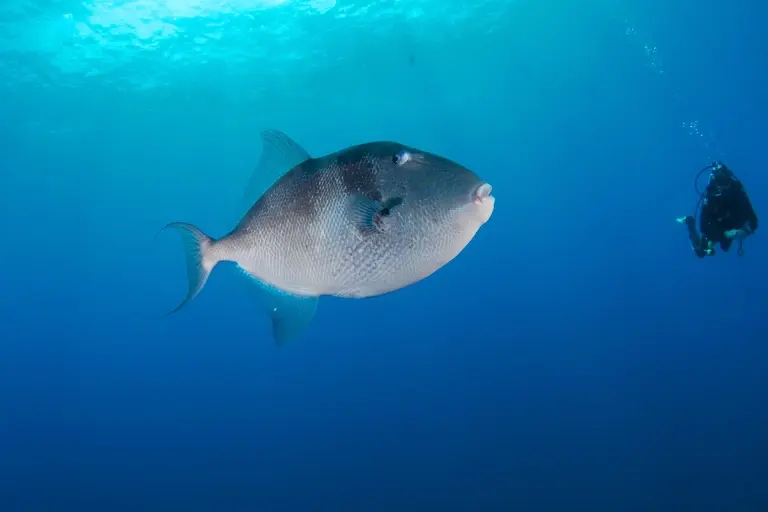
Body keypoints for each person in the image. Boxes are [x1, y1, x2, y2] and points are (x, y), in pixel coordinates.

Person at [677, 161, 758, 257]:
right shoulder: (711, 194)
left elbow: (754, 219)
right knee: (701, 251)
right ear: (715, 183)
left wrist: (746, 231)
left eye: (725, 183)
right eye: (719, 183)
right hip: (716, 225)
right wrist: (725, 234)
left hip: (733, 223)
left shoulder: (737, 190)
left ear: (729, 180)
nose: (723, 189)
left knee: (725, 247)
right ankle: (690, 222)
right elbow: (704, 225)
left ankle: (724, 237)